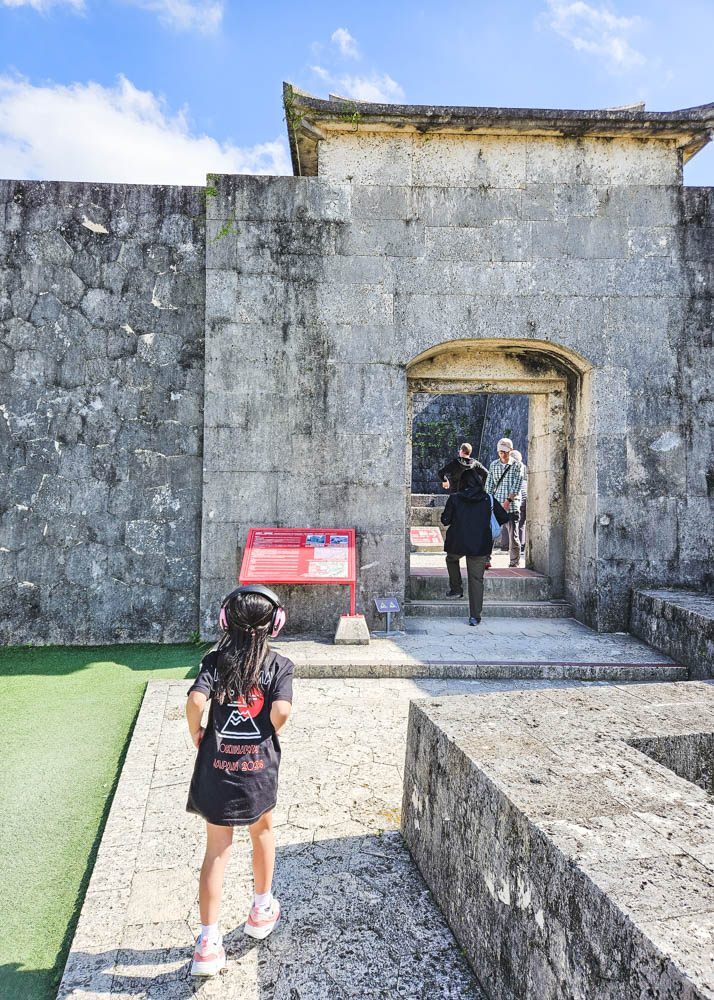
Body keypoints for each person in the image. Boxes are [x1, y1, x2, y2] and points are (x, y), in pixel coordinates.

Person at [185, 585, 294, 977]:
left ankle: (208, 943)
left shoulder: (215, 661)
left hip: (217, 768)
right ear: (275, 624)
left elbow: (196, 702)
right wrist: (264, 731)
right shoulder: (279, 665)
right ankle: (262, 908)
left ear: (224, 620)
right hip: (256, 771)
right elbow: (281, 710)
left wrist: (198, 733)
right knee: (262, 833)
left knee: (216, 849)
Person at [440, 468, 513, 625]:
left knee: (451, 559)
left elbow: (445, 520)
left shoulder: (455, 498)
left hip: (457, 542)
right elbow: (504, 516)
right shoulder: (488, 499)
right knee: (476, 579)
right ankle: (475, 616)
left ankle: (456, 587)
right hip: (480, 543)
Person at [485, 438, 523, 568]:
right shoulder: (493, 465)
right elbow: (489, 485)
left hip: (512, 506)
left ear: (511, 451)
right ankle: (486, 558)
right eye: (501, 451)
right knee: (489, 533)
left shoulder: (518, 465)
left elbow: (517, 485)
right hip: (496, 505)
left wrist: (507, 501)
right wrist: (489, 501)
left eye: (505, 452)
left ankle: (514, 562)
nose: (503, 454)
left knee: (513, 535)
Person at [510, 449, 527, 553]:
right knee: (521, 523)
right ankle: (521, 545)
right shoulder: (525, 468)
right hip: (526, 497)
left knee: (512, 524)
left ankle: (507, 546)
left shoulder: (512, 468)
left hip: (517, 498)